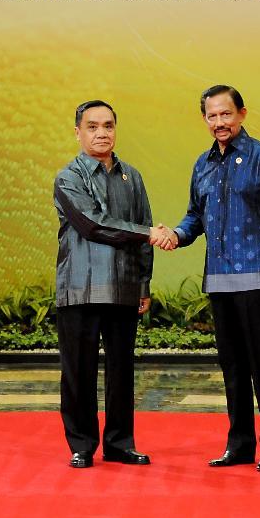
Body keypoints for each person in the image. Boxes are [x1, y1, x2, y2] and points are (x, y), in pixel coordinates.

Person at [160, 85, 260, 472]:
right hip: (219, 282)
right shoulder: (202, 165)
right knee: (232, 369)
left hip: (258, 281)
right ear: (204, 119)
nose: (219, 123)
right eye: (211, 116)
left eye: (225, 114)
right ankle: (238, 445)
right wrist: (176, 235)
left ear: (242, 113)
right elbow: (195, 217)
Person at [53, 99, 174, 469]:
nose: (101, 133)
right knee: (79, 372)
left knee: (122, 371)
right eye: (92, 126)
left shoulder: (131, 177)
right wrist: (149, 234)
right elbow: (93, 224)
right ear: (78, 132)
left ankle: (120, 443)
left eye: (108, 125)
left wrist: (144, 285)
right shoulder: (68, 177)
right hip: (79, 288)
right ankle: (82, 445)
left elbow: (144, 223)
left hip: (123, 289)